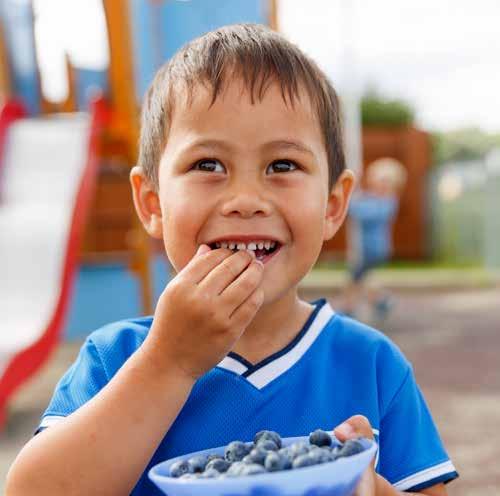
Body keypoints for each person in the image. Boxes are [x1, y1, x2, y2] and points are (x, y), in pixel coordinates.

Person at [6, 24, 457, 496]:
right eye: (208, 165)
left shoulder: (372, 365)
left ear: (332, 205)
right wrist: (169, 363)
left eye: (283, 166)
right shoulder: (115, 360)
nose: (245, 199)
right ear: (153, 204)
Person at [343, 158, 407, 321]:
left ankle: (351, 309)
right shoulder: (372, 197)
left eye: (384, 182)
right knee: (362, 279)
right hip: (365, 248)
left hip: (373, 249)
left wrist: (350, 201)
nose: (379, 185)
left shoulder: (387, 202)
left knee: (356, 278)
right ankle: (381, 301)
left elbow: (361, 213)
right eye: (377, 180)